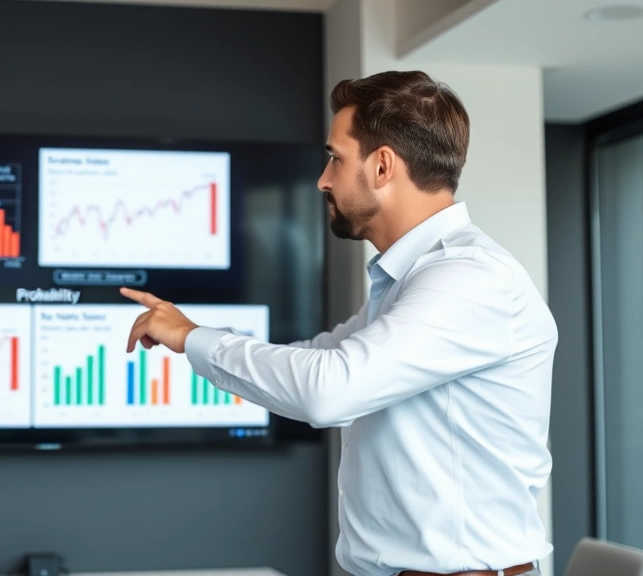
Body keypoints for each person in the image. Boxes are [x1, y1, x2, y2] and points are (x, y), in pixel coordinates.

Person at [121, 70, 557, 576]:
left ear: (383, 166)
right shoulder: (411, 281)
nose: (323, 179)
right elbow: (319, 358)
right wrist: (192, 340)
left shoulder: (468, 279)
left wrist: (193, 338)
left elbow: (327, 390)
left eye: (335, 158)